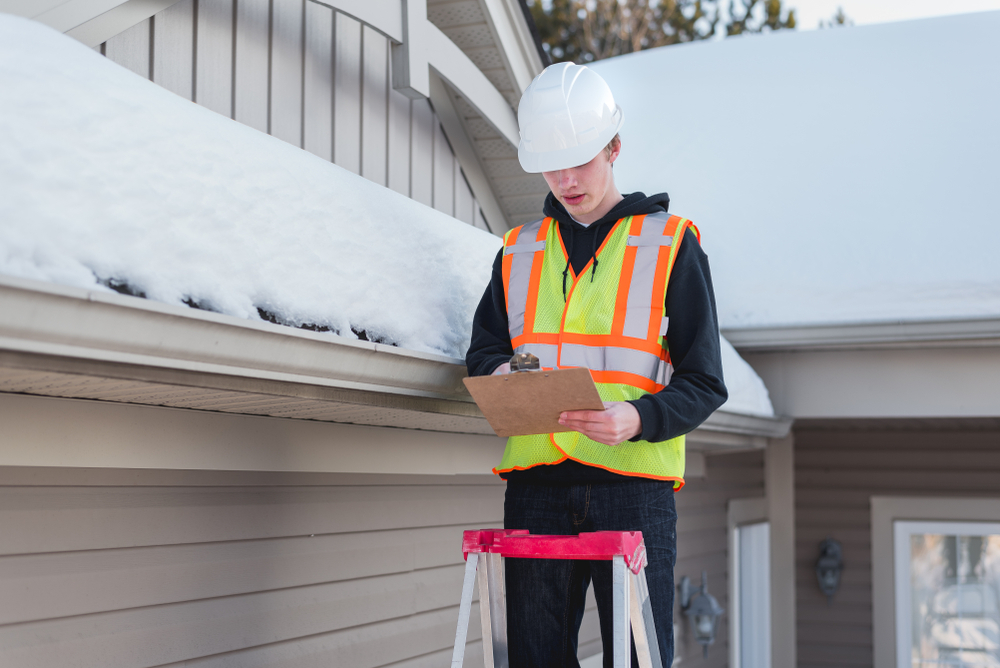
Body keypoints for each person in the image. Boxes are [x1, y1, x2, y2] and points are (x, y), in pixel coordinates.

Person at [465, 61, 727, 668]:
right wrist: (501, 377)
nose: (566, 179)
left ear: (614, 146)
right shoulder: (518, 251)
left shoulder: (670, 244)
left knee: (636, 661)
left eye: (580, 160)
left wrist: (636, 419)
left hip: (632, 492)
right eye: (552, 165)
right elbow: (482, 352)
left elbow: (704, 381)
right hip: (535, 490)